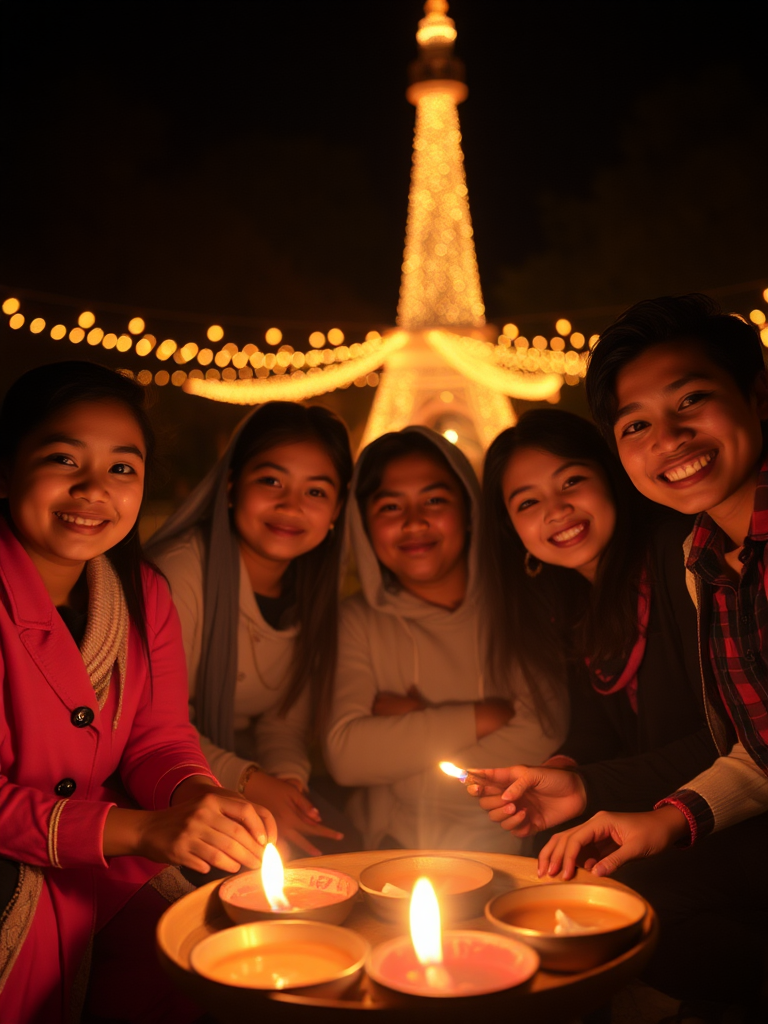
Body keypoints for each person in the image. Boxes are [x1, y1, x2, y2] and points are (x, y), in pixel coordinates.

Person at [0, 362, 275, 1024]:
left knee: (220, 954)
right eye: (63, 458)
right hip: (16, 870)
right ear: (6, 470)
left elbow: (158, 736)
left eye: (122, 468)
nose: (94, 488)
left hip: (109, 870)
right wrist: (144, 828)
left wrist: (198, 798)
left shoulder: (142, 596)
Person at [537, 295, 768, 880]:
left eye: (691, 399)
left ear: (759, 395)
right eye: (636, 424)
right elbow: (759, 746)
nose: (669, 438)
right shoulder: (706, 563)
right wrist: (665, 821)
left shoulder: (675, 567)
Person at [466, 408, 718, 843]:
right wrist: (559, 768)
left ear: (610, 476)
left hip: (718, 811)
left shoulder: (680, 558)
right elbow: (596, 726)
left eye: (572, 482)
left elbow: (725, 738)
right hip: (648, 805)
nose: (557, 510)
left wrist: (585, 786)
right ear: (512, 529)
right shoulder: (565, 599)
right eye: (528, 502)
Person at [324, 426, 567, 852]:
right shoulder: (355, 622)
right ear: (363, 525)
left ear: (470, 510)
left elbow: (543, 728)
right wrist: (481, 716)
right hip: (390, 849)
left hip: (517, 848)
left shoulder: (519, 604)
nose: (414, 521)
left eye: (434, 500)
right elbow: (345, 756)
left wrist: (408, 734)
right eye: (390, 506)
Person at [149, 401, 353, 856]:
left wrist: (288, 788)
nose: (290, 505)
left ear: (338, 509)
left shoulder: (313, 592)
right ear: (230, 485)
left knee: (343, 852)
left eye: (316, 492)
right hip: (169, 783)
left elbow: (284, 721)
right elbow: (152, 726)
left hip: (249, 777)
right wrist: (251, 783)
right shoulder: (180, 574)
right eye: (271, 481)